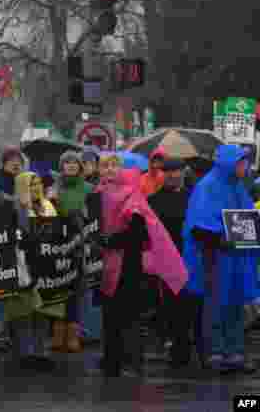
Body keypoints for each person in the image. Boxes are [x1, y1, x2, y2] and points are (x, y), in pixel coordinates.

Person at [99, 167, 187, 377]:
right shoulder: (137, 201)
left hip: (119, 267)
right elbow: (139, 235)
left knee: (115, 318)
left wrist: (109, 241)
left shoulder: (121, 202)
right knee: (130, 319)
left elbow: (134, 234)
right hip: (132, 268)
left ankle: (115, 362)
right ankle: (129, 363)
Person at [182, 144, 259, 372]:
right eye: (241, 162)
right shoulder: (208, 187)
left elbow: (247, 219)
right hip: (214, 258)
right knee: (216, 304)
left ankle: (234, 353)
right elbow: (199, 225)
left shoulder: (237, 187)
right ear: (229, 163)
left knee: (235, 305)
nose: (246, 167)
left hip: (234, 257)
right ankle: (214, 353)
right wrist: (221, 240)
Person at [4, 171, 57, 371]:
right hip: (22, 264)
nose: (35, 187)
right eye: (30, 184)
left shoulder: (48, 206)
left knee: (42, 311)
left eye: (38, 183)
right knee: (22, 311)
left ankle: (41, 352)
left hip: (43, 265)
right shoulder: (13, 207)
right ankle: (24, 353)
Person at [148, 159, 193, 366]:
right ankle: (175, 345)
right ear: (162, 174)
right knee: (170, 304)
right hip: (166, 259)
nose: (173, 175)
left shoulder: (193, 197)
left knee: (189, 304)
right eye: (168, 172)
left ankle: (186, 344)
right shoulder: (153, 200)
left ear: (183, 172)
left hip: (191, 257)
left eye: (176, 171)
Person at [52, 150, 93, 353]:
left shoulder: (89, 189)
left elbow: (93, 216)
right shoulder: (53, 187)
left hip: (79, 245)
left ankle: (73, 335)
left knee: (75, 291)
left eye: (74, 162)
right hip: (58, 245)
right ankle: (58, 333)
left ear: (80, 166)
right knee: (58, 289)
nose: (70, 165)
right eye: (66, 162)